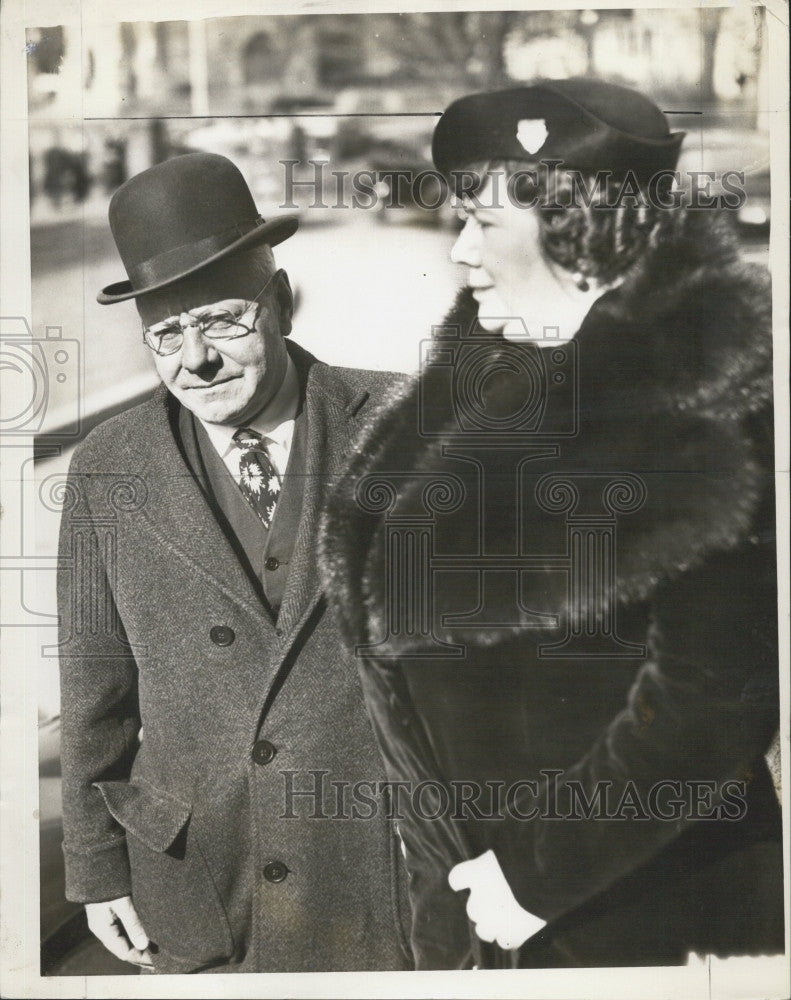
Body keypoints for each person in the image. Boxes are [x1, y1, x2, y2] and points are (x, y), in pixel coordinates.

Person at [320, 79, 783, 969]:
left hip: (636, 923)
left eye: (484, 224)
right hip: (478, 914)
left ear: (581, 230)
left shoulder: (704, 400)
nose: (459, 251)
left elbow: (717, 695)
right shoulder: (498, 359)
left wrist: (534, 878)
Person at [56, 152, 414, 974]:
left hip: (377, 868)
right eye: (167, 335)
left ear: (281, 303)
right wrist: (96, 868)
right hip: (197, 880)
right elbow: (92, 687)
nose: (196, 360)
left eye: (221, 321)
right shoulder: (107, 468)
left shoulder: (406, 423)